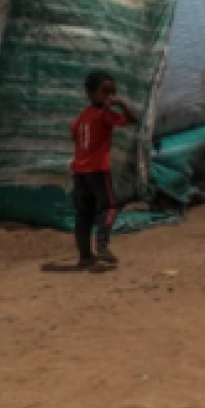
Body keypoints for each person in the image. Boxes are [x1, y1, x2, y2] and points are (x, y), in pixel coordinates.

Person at [70, 69, 138, 268]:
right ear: (92, 94)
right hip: (98, 170)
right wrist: (121, 103)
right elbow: (132, 120)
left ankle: (85, 256)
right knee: (109, 207)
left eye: (112, 93)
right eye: (106, 92)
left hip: (79, 172)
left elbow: (74, 134)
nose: (109, 97)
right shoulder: (104, 115)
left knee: (84, 214)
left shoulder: (82, 117)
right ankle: (101, 245)